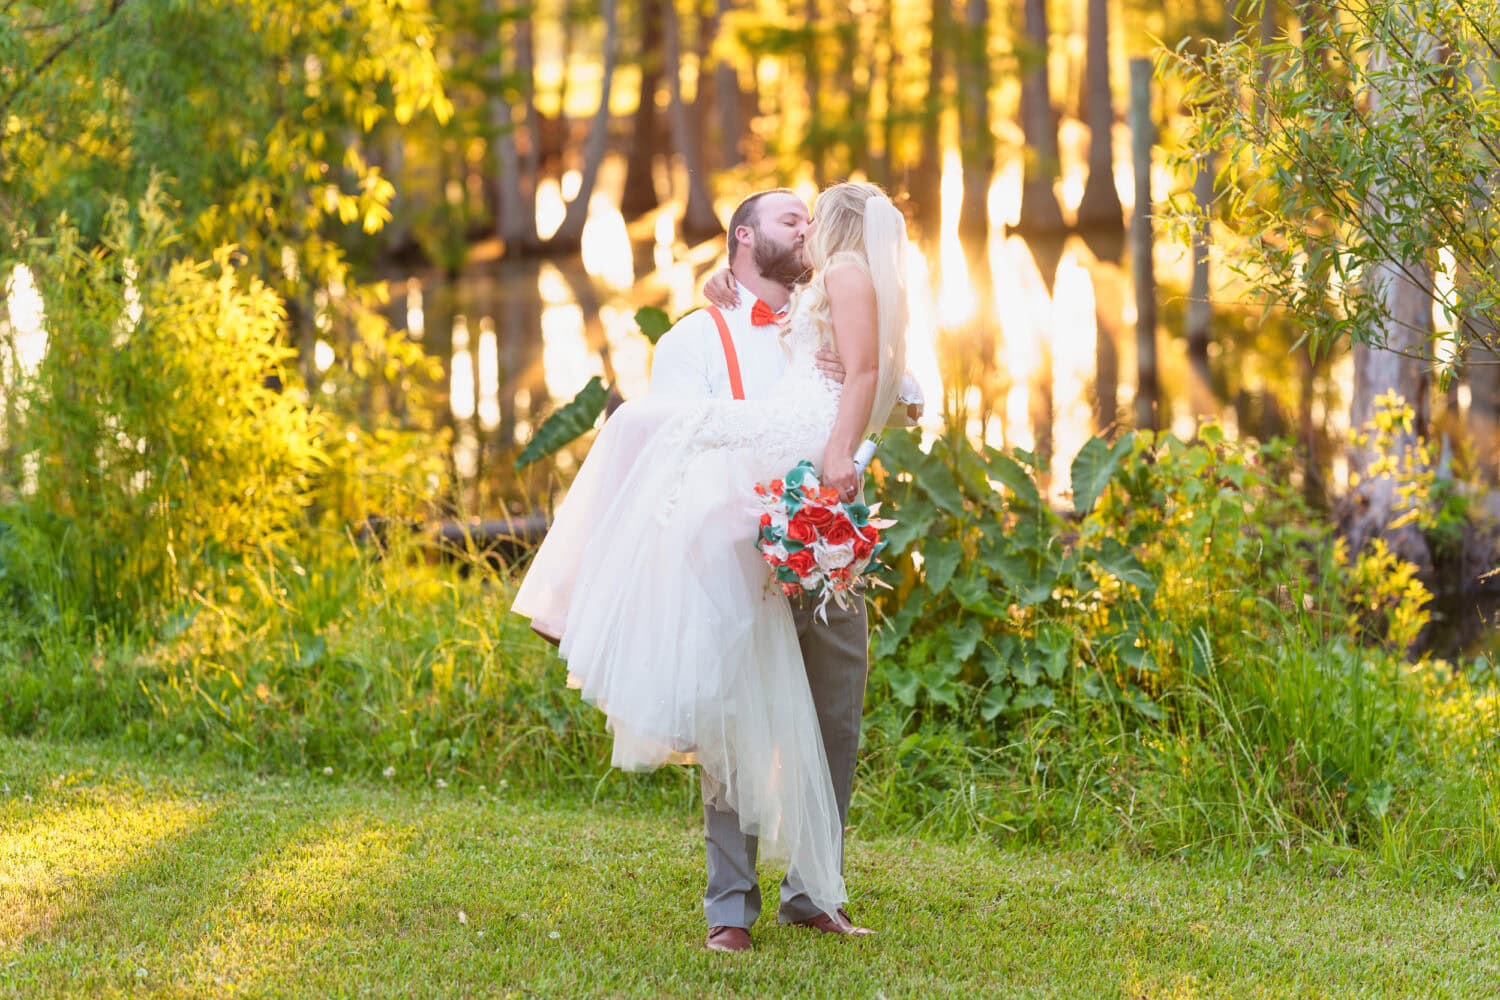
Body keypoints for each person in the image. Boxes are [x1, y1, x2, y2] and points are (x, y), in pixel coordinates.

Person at [512, 182, 913, 953]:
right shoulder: (694, 338)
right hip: (732, 553)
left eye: (810, 216)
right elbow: (685, 459)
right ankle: (730, 909)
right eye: (788, 218)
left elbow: (878, 372)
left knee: (835, 717)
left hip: (821, 542)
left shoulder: (818, 308)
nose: (805, 227)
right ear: (742, 237)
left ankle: (816, 892)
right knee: (732, 727)